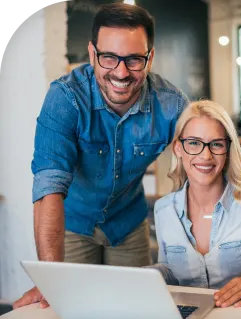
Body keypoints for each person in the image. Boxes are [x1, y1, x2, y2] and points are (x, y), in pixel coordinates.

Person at [13, 2, 189, 309]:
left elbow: (211, 162)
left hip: (128, 222)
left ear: (150, 57)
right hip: (72, 223)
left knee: (134, 309)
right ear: (93, 53)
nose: (121, 73)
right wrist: (50, 278)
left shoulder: (171, 104)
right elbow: (48, 187)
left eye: (134, 59)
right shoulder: (65, 98)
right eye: (109, 57)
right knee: (69, 307)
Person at [148, 99, 241, 308]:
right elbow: (170, 271)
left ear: (228, 150)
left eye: (216, 144)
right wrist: (146, 275)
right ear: (178, 148)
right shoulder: (164, 209)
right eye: (193, 143)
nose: (205, 155)